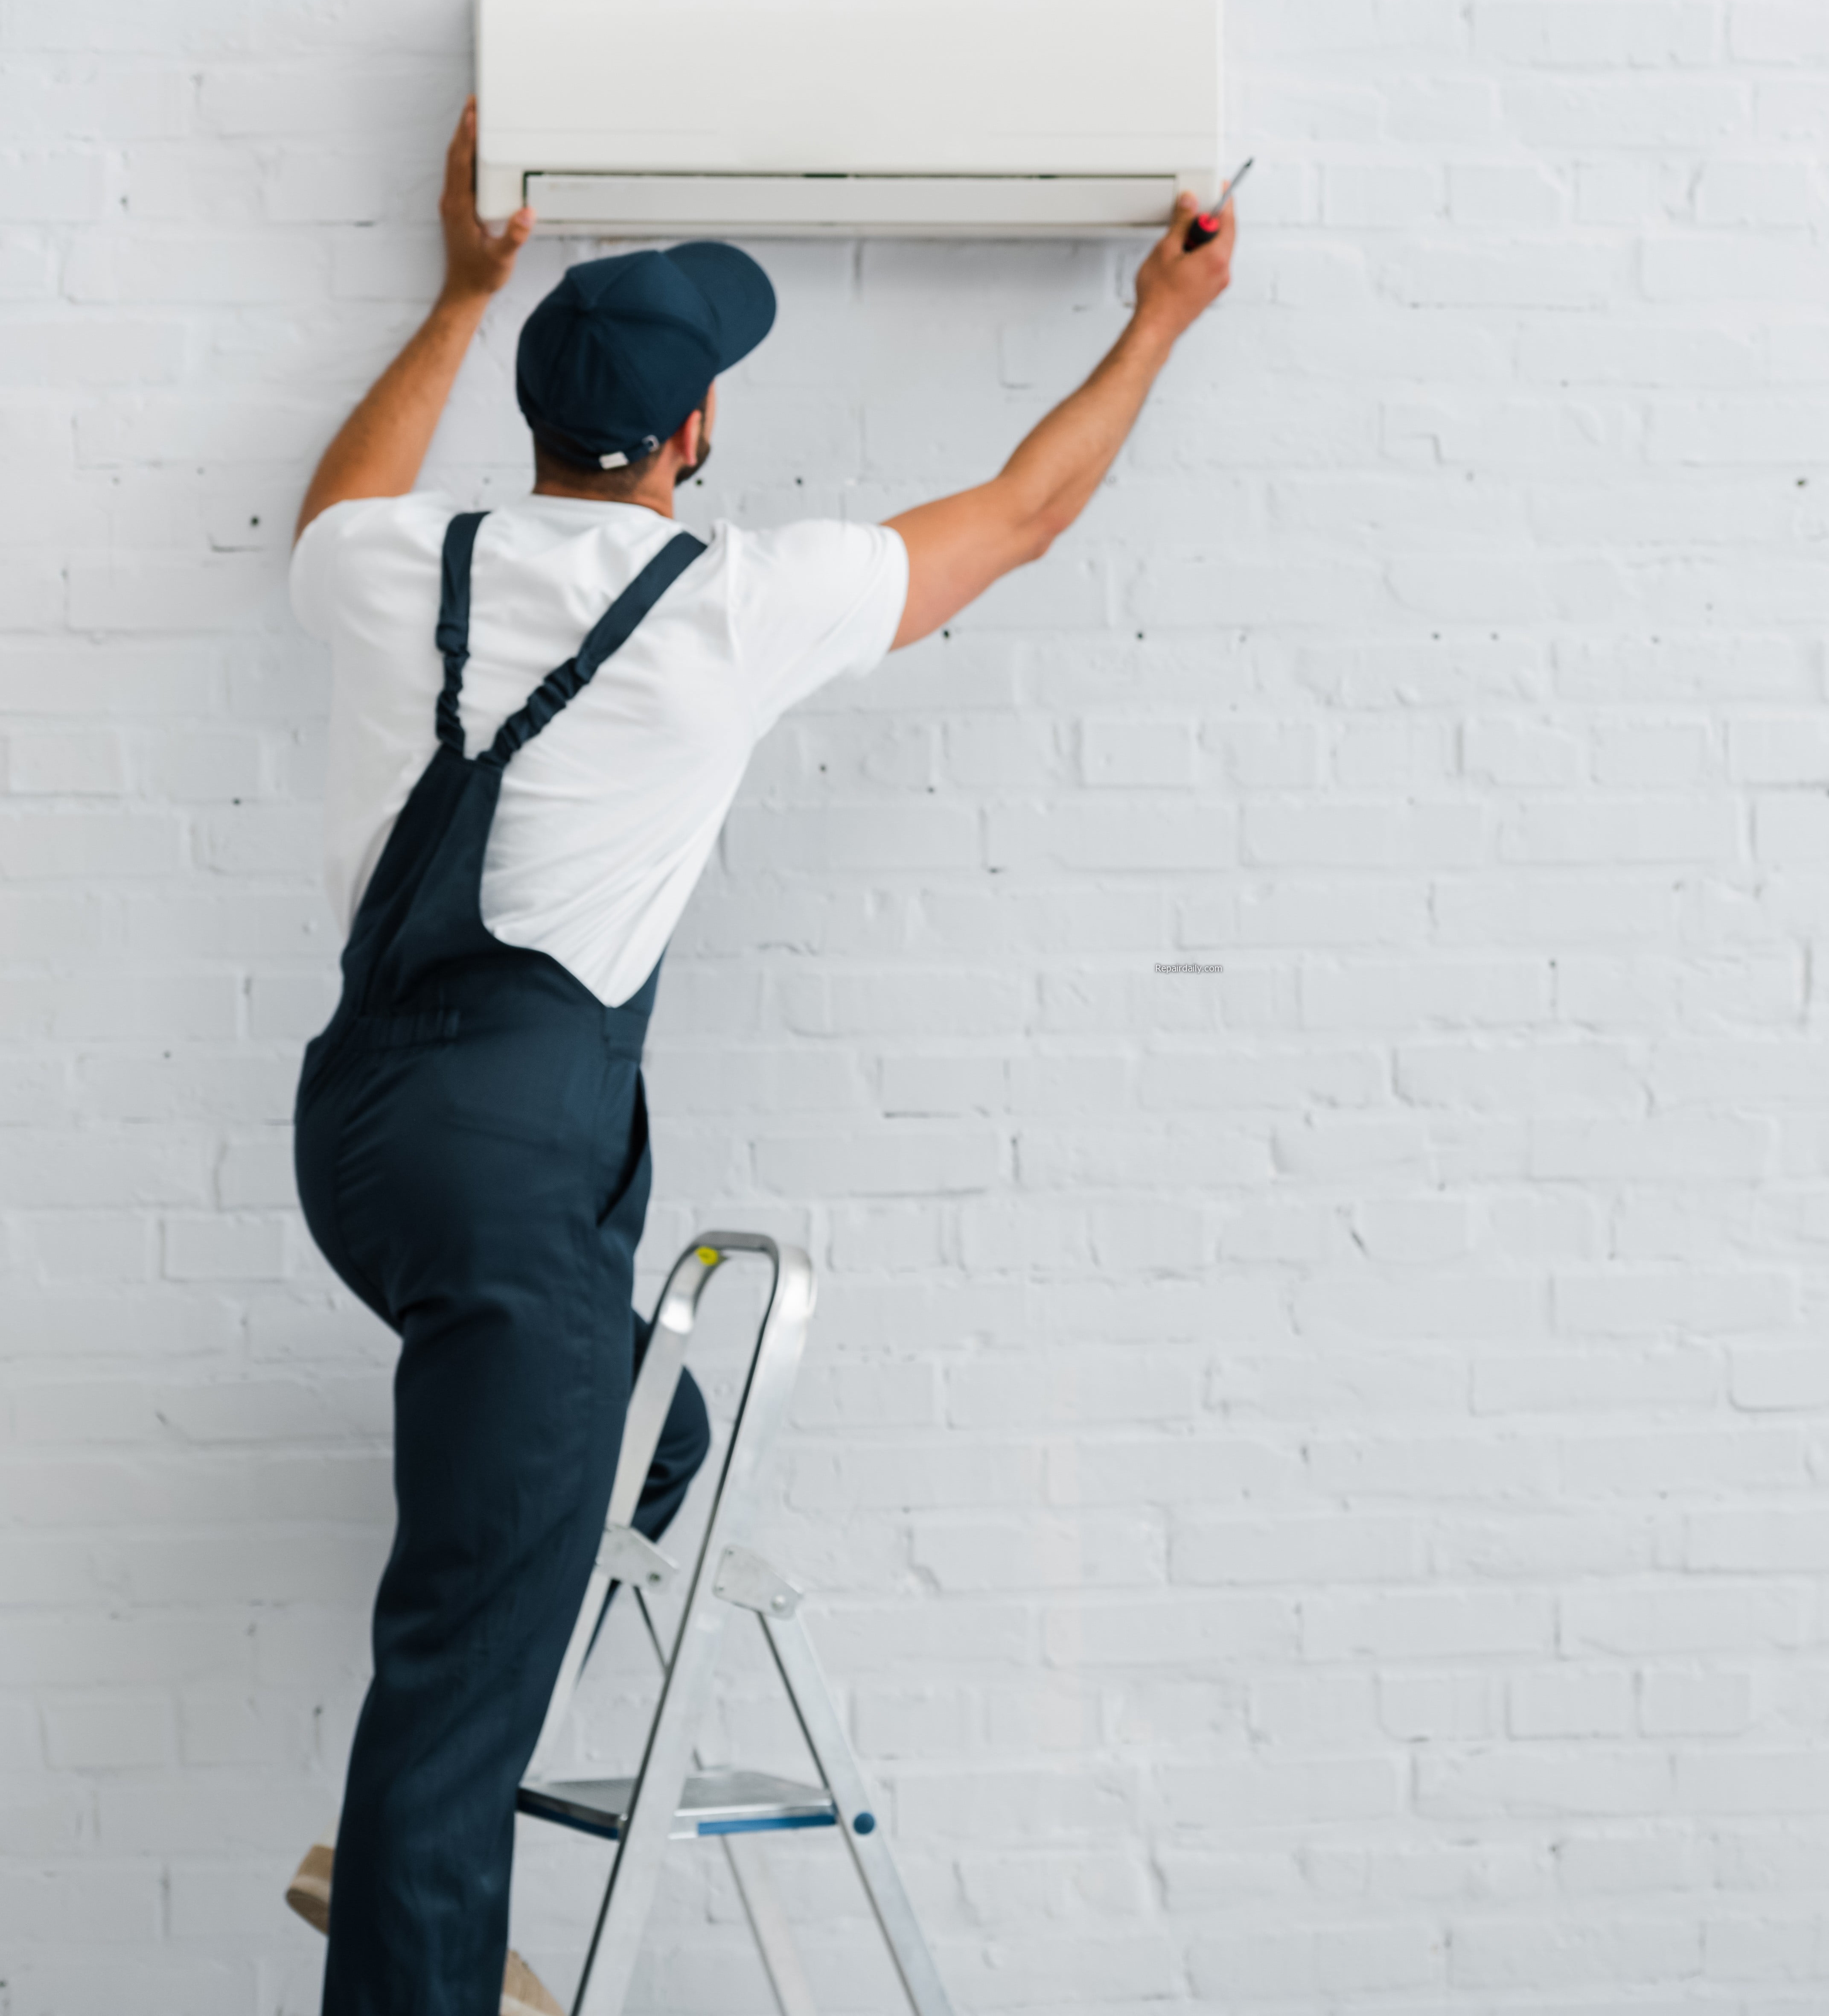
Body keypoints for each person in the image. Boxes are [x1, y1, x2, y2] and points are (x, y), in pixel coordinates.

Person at [279, 101, 1234, 2016]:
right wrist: (1154, 327)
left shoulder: (395, 572)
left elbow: (337, 496)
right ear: (693, 436)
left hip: (364, 1135)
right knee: (468, 1651)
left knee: (640, 1437)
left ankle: (411, 1882)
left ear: (536, 428)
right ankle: (419, 1941)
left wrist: (459, 294)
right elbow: (1024, 517)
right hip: (509, 1153)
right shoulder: (726, 606)